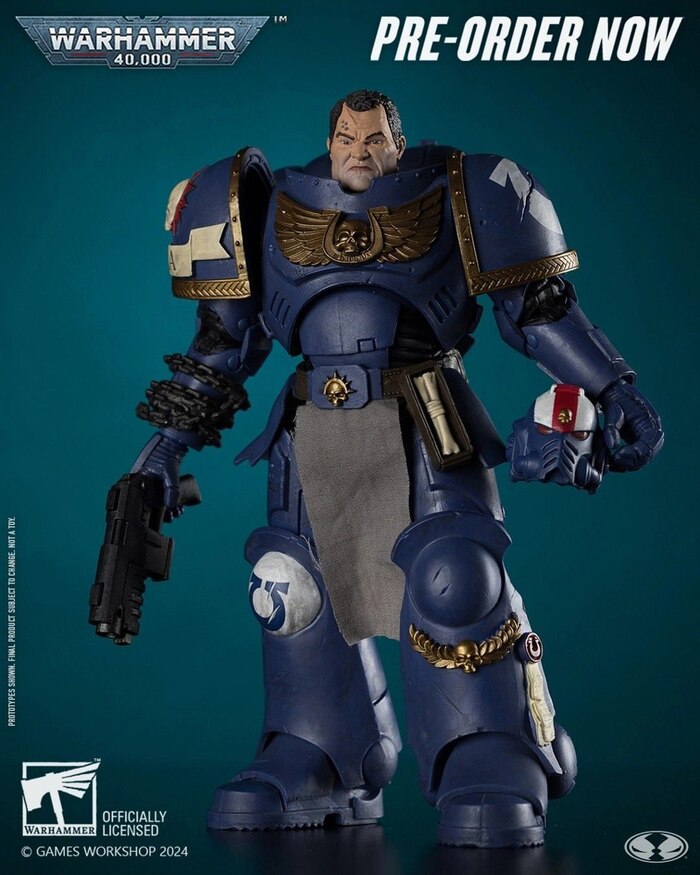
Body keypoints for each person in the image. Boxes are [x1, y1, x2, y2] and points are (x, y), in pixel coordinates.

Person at [127, 90, 663, 847]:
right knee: (293, 589)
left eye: (374, 137)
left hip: (427, 417)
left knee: (456, 579)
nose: (359, 149)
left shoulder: (467, 188)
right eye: (346, 136)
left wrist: (613, 388)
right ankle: (318, 747)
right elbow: (222, 346)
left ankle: (489, 746)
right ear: (330, 139)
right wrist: (163, 449)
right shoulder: (257, 206)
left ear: (397, 141)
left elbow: (537, 308)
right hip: (313, 426)